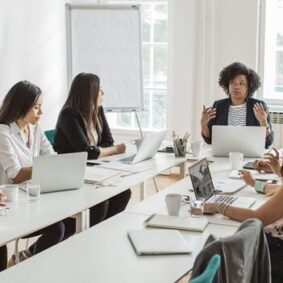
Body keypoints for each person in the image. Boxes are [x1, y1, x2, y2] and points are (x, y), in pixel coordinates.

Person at [0, 81, 75, 268]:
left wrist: (55, 165)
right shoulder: (3, 133)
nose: (41, 113)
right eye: (36, 107)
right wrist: (47, 167)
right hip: (12, 203)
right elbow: (16, 174)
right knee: (57, 228)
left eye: (41, 107)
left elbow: (50, 156)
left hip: (35, 196)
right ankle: (26, 264)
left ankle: (27, 260)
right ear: (20, 106)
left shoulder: (35, 128)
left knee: (72, 219)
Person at [54, 73, 131, 226]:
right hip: (72, 174)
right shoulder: (68, 114)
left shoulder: (97, 110)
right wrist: (115, 149)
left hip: (93, 169)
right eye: (100, 90)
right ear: (89, 93)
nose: (103, 93)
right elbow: (88, 152)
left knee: (124, 193)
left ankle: (103, 232)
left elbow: (107, 141)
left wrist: (101, 150)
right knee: (99, 205)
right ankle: (85, 238)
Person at [204, 170, 283, 283]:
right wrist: (255, 183)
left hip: (276, 253)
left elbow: (257, 217)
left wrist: (218, 207)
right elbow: (278, 190)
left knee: (220, 247)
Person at [201, 62, 274, 148]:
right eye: (232, 82)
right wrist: (203, 124)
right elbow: (209, 140)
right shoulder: (218, 106)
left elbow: (268, 142)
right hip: (224, 154)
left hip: (250, 156)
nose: (236, 87)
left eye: (241, 83)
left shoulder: (258, 106)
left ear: (248, 87)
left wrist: (263, 122)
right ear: (228, 85)